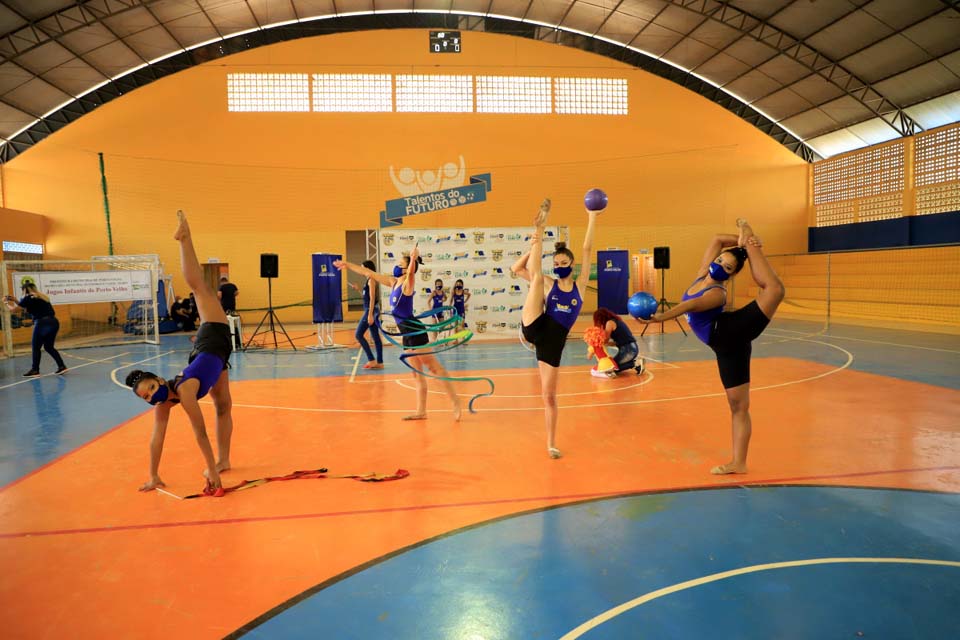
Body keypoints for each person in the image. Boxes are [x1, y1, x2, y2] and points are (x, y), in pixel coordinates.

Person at [636, 219, 784, 475]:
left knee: (774, 290)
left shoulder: (718, 293)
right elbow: (716, 239)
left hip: (731, 332)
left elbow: (690, 306)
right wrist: (738, 238)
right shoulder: (702, 273)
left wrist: (661, 317)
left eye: (727, 267)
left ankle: (752, 244)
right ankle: (739, 463)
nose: (719, 267)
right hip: (725, 348)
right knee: (738, 406)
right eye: (719, 262)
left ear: (732, 274)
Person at [125, 211, 235, 493]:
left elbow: (200, 434)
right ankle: (223, 460)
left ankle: (185, 239)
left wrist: (210, 472)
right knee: (223, 407)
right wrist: (153, 475)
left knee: (199, 289)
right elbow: (156, 439)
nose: (152, 396)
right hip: (213, 356)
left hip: (213, 339)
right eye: (146, 397)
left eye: (150, 388)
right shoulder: (166, 403)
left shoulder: (184, 392)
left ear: (159, 380)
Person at [511, 198, 599, 459]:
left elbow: (587, 248)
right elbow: (517, 269)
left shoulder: (580, 286)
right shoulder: (549, 283)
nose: (559, 267)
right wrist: (535, 240)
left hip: (552, 344)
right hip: (535, 324)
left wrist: (592, 217)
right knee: (537, 277)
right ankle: (541, 227)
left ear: (572, 265)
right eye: (557, 263)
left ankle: (551, 443)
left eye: (564, 263)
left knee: (548, 397)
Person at [335, 246, 461, 421]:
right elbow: (368, 272)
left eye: (400, 263)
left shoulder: (407, 285)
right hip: (405, 334)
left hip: (415, 331)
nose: (396, 265)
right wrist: (346, 264)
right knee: (416, 374)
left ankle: (455, 401)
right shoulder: (393, 282)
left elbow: (411, 274)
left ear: (406, 268)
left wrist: (413, 259)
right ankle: (421, 411)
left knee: (434, 368)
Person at [3, 281, 67, 377]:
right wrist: (16, 300)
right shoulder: (42, 297)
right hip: (53, 322)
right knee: (49, 347)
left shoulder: (28, 297)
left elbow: (14, 310)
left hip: (42, 323)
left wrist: (6, 302)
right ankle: (62, 366)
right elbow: (26, 308)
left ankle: (35, 370)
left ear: (25, 290)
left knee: (36, 347)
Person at [593, 307, 644, 376]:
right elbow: (617, 342)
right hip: (630, 347)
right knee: (611, 366)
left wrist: (595, 340)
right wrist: (604, 344)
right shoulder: (615, 321)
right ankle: (635, 364)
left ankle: (635, 363)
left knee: (611, 367)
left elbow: (605, 340)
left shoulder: (609, 323)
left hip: (629, 349)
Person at [355, 259, 383, 370]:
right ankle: (379, 362)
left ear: (368, 269)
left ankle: (372, 360)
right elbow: (366, 298)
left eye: (362, 267)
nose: (361, 270)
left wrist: (370, 314)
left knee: (358, 335)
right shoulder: (368, 281)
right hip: (371, 309)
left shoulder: (371, 280)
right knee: (376, 337)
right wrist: (358, 290)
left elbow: (372, 299)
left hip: (371, 310)